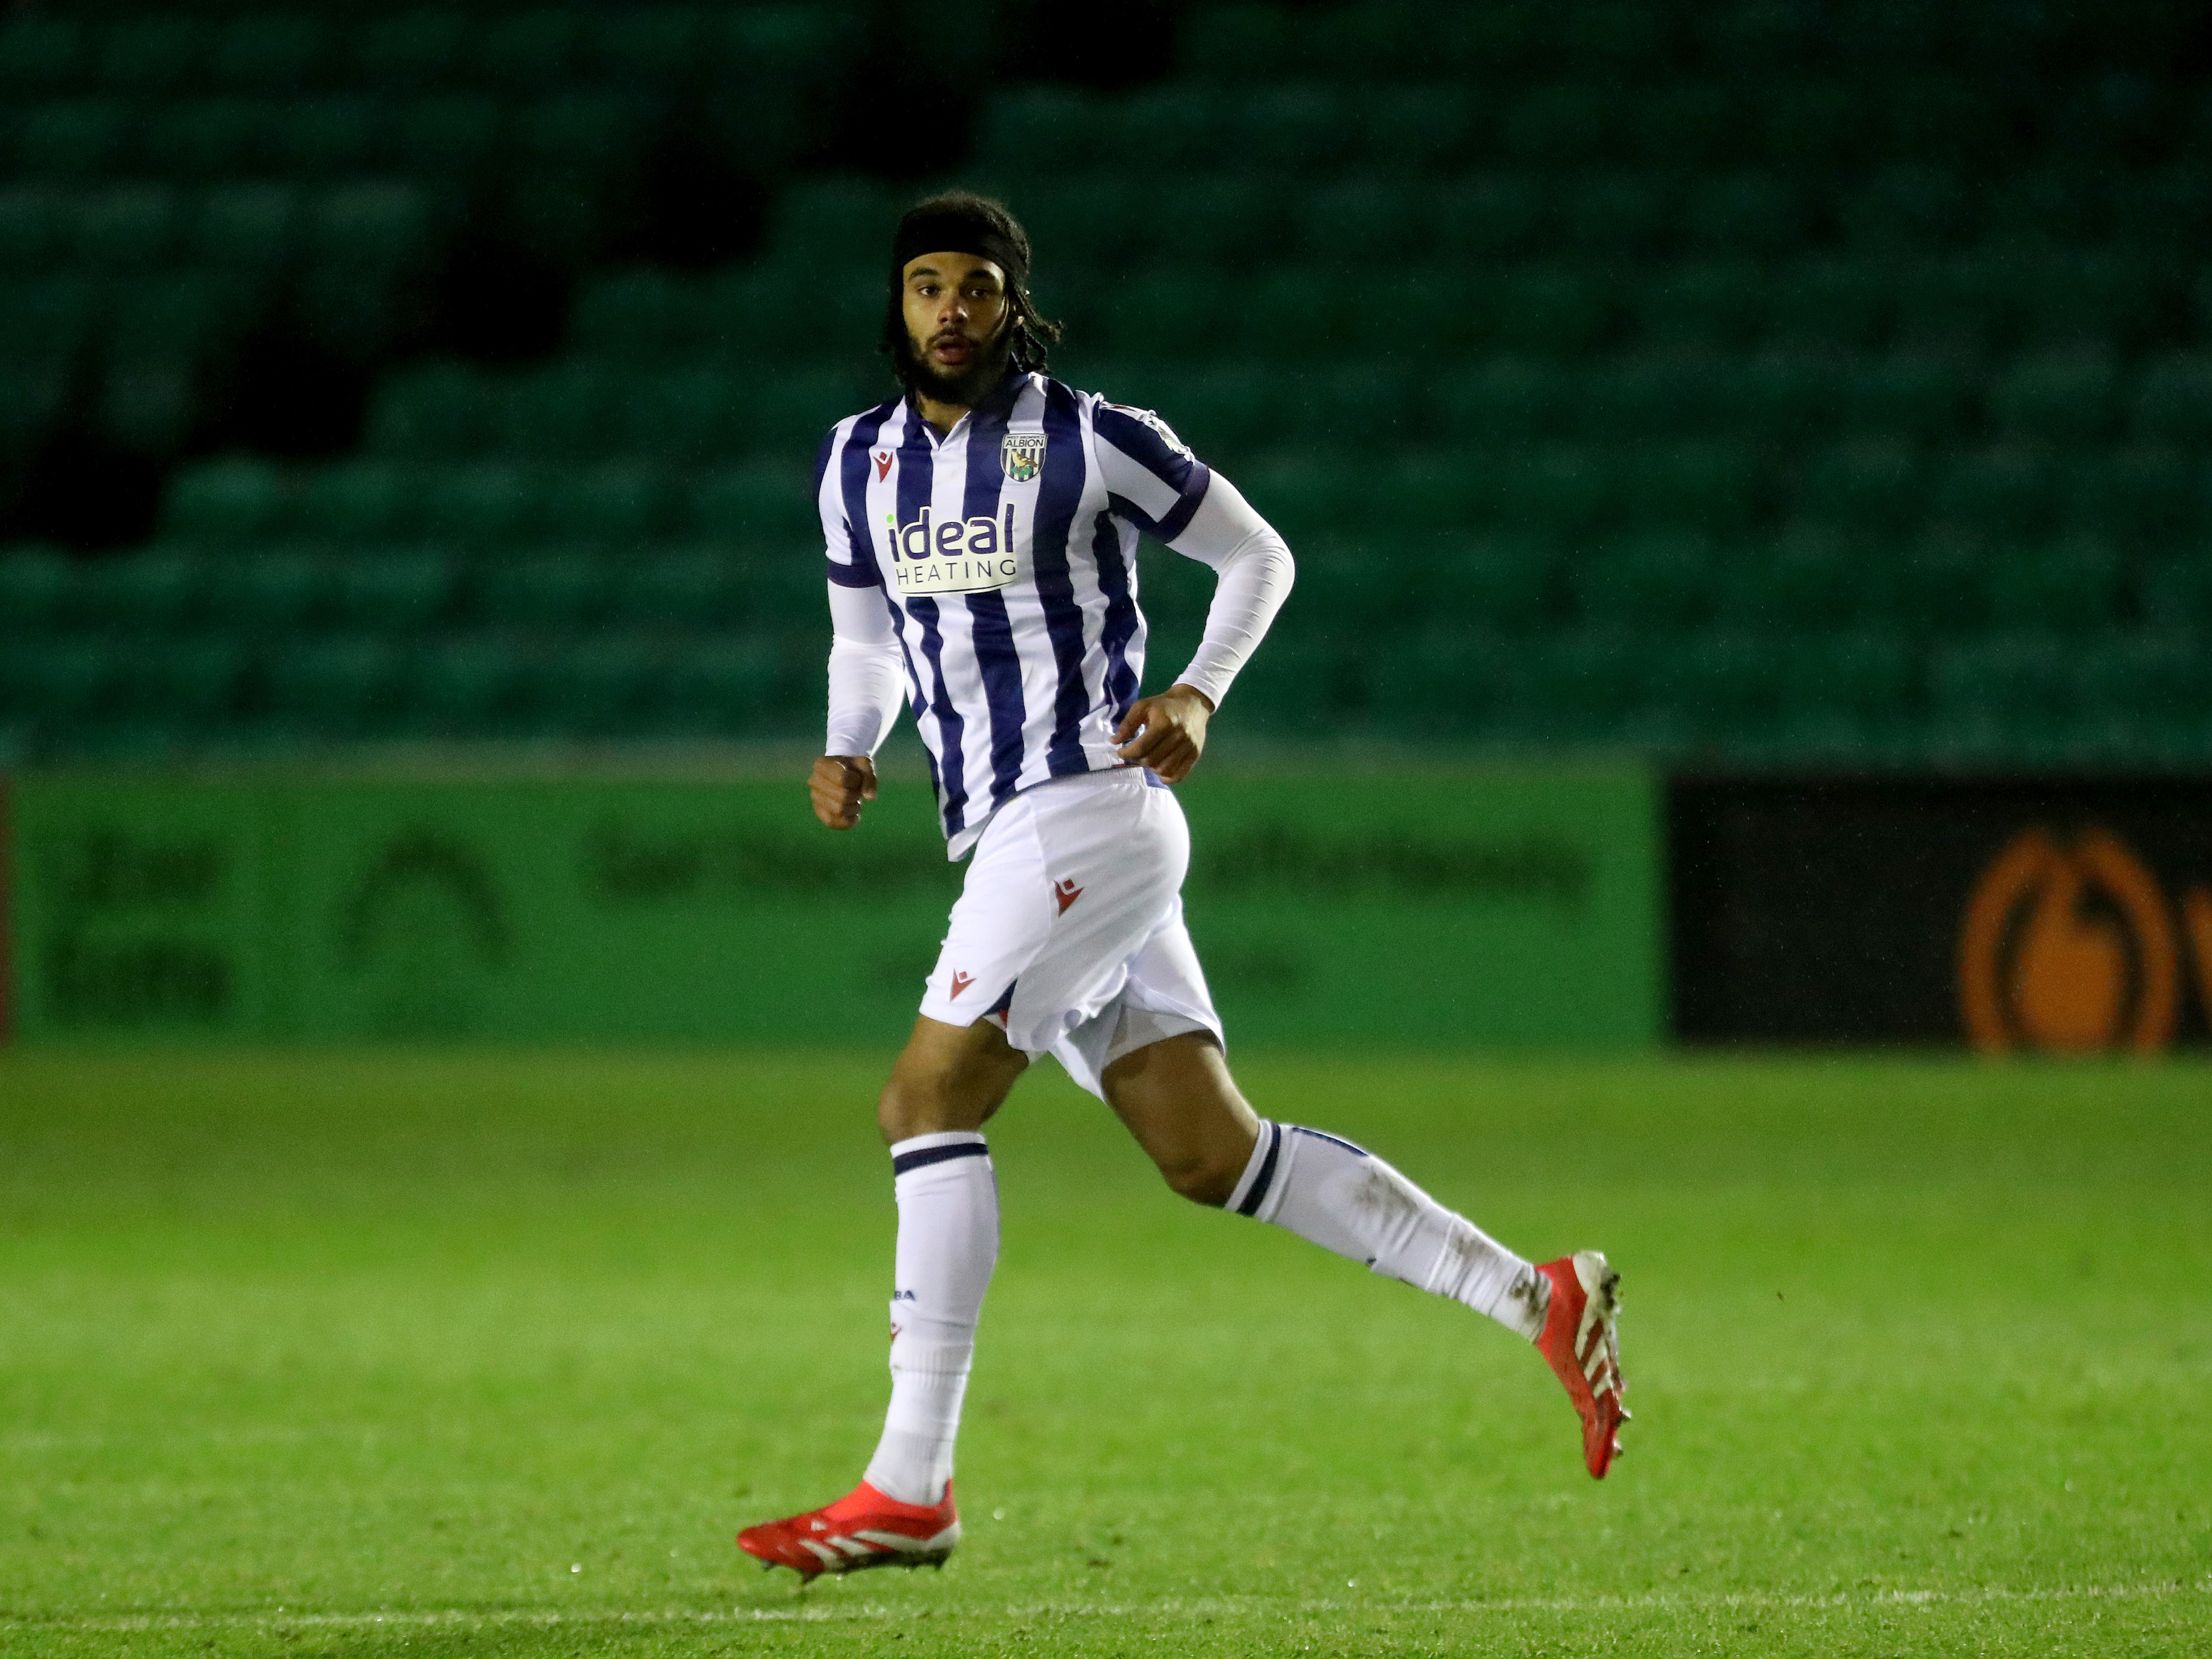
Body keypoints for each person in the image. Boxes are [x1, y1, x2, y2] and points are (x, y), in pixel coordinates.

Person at [737, 193, 1626, 1579]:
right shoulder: (852, 464)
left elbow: (1257, 554)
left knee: (925, 1102)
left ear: (1012, 302)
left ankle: (910, 1484)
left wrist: (1202, 691)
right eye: (925, 287)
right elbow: (869, 639)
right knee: (1214, 1156)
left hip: (1086, 811)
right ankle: (1540, 1298)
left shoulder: (1093, 436)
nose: (950, 311)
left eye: (975, 287)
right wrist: (851, 743)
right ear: (896, 305)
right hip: (1020, 830)